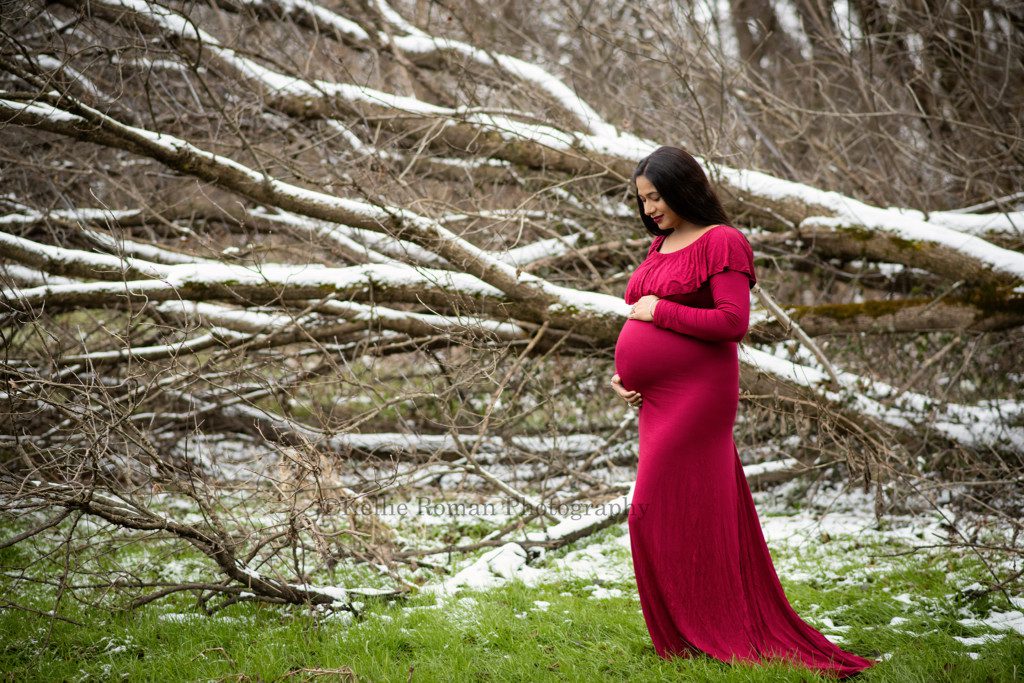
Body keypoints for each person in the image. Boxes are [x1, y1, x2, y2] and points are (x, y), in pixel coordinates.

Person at [610, 146, 878, 679]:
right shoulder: (659, 246)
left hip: (699, 396)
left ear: (683, 188)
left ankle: (711, 627)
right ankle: (684, 634)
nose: (649, 210)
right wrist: (627, 378)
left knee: (651, 510)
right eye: (642, 201)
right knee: (671, 513)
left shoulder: (723, 242)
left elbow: (733, 322)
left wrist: (658, 311)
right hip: (658, 399)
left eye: (656, 197)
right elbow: (645, 330)